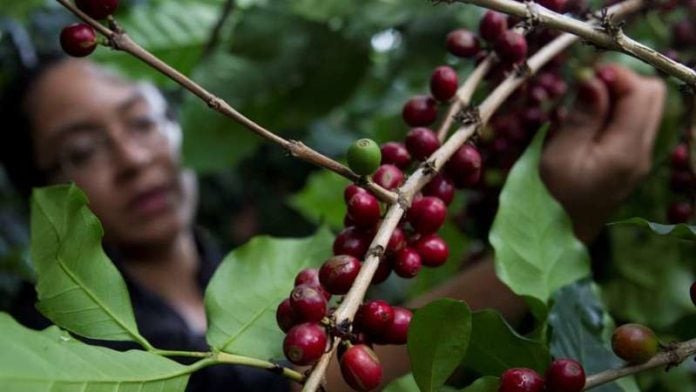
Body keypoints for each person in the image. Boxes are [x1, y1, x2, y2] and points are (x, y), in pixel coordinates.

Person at [0, 55, 665, 392]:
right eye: (82, 149)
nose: (134, 158)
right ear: (38, 190)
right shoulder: (49, 340)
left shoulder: (280, 282)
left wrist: (561, 209)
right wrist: (565, 216)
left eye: (141, 120)